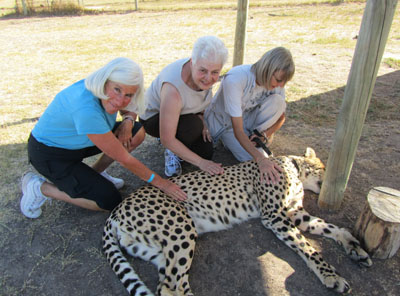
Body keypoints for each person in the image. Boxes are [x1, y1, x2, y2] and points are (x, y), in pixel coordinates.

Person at [21, 57, 187, 219]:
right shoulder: (86, 110)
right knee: (109, 201)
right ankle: (40, 188)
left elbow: (132, 107)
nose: (121, 100)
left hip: (78, 141)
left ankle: (95, 174)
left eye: (128, 94)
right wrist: (162, 183)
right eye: (117, 90)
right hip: (50, 154)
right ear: (105, 81)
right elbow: (124, 159)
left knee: (136, 132)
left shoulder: (108, 89)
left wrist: (128, 121)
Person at [138, 36, 228, 177]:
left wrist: (203, 121)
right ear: (192, 62)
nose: (208, 78)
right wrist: (201, 163)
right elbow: (167, 138)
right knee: (192, 128)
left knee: (206, 152)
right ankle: (171, 151)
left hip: (184, 113)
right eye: (203, 71)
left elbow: (198, 101)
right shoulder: (173, 90)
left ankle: (182, 143)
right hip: (153, 118)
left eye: (215, 72)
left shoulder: (204, 68)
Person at [204, 47, 295, 183]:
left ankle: (255, 138)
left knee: (278, 101)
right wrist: (261, 159)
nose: (280, 86)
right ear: (267, 69)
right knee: (256, 161)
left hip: (248, 119)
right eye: (278, 80)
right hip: (227, 125)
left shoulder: (277, 84)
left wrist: (265, 134)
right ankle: (235, 143)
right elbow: (238, 130)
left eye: (284, 82)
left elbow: (281, 118)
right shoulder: (236, 78)